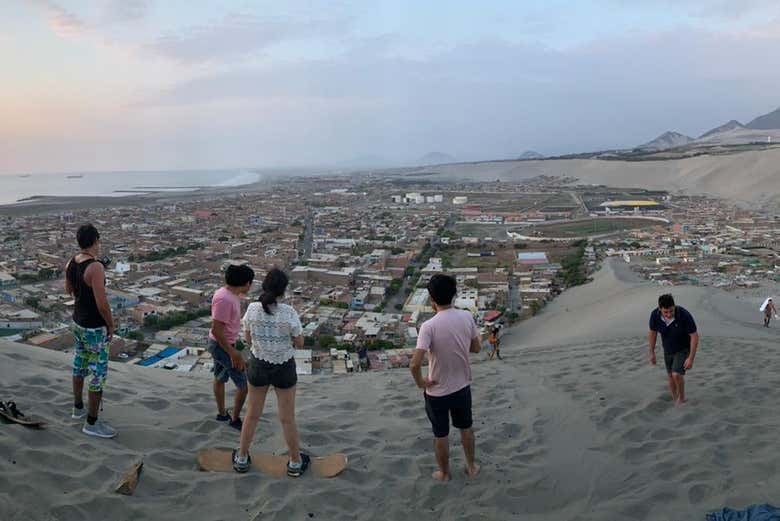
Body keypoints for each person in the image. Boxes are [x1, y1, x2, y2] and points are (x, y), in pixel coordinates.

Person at [233, 268, 309, 477]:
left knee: (252, 414)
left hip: (258, 365)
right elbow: (300, 342)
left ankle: (241, 458)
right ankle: (294, 462)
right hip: (284, 366)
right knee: (287, 418)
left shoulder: (252, 309)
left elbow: (248, 340)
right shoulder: (289, 313)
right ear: (283, 291)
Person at [410, 274, 482, 481]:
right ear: (454, 295)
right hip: (462, 387)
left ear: (431, 300)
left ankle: (443, 473)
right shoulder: (466, 316)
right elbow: (476, 348)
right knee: (466, 428)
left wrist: (420, 383)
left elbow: (415, 364)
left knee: (441, 435)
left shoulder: (428, 326)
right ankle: (471, 466)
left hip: (437, 392)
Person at [64, 223, 117, 438]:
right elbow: (102, 304)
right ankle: (92, 423)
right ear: (96, 241)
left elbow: (69, 290)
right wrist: (111, 324)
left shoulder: (72, 262)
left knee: (79, 364)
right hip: (95, 327)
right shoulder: (95, 267)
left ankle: (78, 408)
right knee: (98, 374)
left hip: (78, 322)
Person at [208, 264, 254, 430]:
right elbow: (216, 330)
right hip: (222, 346)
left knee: (220, 378)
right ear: (246, 283)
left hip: (223, 344)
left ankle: (222, 414)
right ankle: (234, 420)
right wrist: (233, 352)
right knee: (243, 386)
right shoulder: (225, 299)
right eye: (251, 283)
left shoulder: (229, 295)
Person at [648, 294, 699, 406]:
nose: (669, 314)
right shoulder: (655, 315)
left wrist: (691, 358)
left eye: (671, 311)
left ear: (674, 306)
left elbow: (694, 336)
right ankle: (675, 398)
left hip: (683, 348)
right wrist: (652, 353)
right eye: (665, 312)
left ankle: (682, 399)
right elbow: (653, 333)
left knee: (676, 374)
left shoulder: (684, 315)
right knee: (670, 375)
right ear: (660, 309)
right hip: (668, 350)